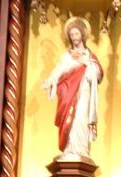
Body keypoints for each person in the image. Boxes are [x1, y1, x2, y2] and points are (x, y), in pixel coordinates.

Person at [42, 16, 104, 161]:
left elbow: (98, 73)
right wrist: (50, 81)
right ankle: (70, 149)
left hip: (84, 93)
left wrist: (84, 61)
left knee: (81, 117)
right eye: (71, 35)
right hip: (69, 94)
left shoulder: (89, 55)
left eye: (76, 34)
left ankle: (82, 150)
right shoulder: (67, 56)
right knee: (71, 119)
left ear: (82, 35)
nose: (74, 37)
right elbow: (58, 71)